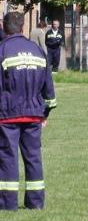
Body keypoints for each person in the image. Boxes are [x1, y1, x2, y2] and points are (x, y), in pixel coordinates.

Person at [0, 12, 57, 210]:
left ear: (4, 28)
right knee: (33, 157)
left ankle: (7, 203)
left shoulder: (2, 50)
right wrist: (45, 114)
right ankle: (35, 202)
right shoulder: (37, 51)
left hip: (8, 115)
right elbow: (49, 90)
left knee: (8, 157)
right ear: (22, 27)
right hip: (34, 114)